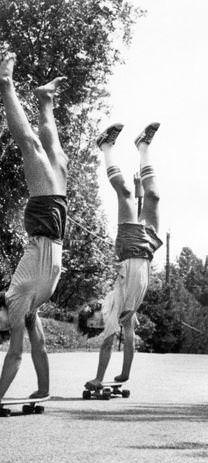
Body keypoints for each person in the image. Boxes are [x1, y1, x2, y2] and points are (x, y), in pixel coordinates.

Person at [0, 53, 68, 408]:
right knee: (57, 155)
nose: (3, 330)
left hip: (44, 223)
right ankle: (45, 99)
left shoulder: (15, 303)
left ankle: (4, 85)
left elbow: (15, 355)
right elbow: (39, 347)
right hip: (54, 226)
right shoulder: (28, 310)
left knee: (30, 145)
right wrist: (44, 390)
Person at [77, 122, 161, 389]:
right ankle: (142, 146)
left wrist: (99, 379)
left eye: (92, 318)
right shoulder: (125, 314)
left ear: (93, 310)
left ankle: (105, 146)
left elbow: (107, 346)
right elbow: (129, 339)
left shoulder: (110, 308)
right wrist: (124, 375)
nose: (98, 321)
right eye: (94, 325)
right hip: (147, 251)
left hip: (128, 249)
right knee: (153, 196)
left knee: (122, 192)